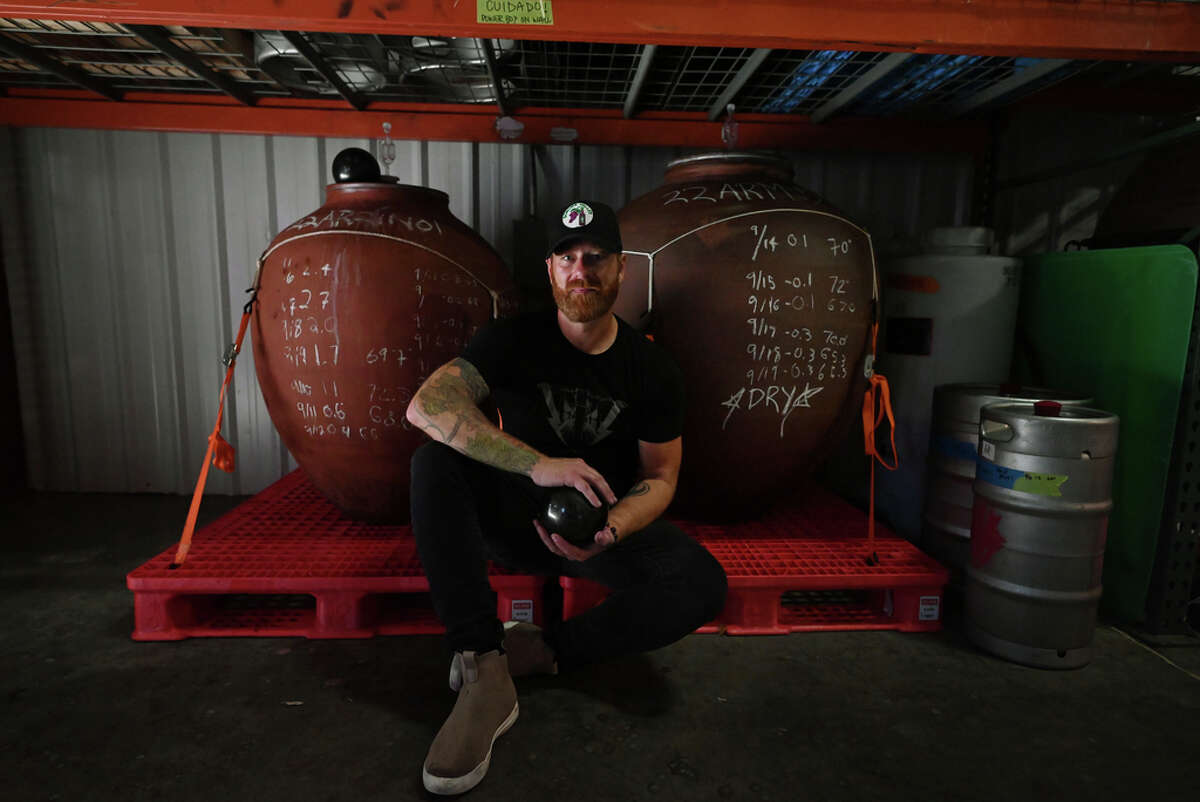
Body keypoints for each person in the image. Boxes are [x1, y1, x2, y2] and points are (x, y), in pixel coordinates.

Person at [405, 199, 727, 796]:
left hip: (595, 531)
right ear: (551, 269)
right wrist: (540, 465)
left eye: (596, 257)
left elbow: (661, 475)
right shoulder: (512, 339)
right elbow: (427, 405)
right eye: (568, 257)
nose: (583, 270)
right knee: (434, 463)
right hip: (513, 516)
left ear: (621, 267)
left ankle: (543, 652)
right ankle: (482, 664)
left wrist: (616, 528)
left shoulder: (652, 367)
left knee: (702, 584)